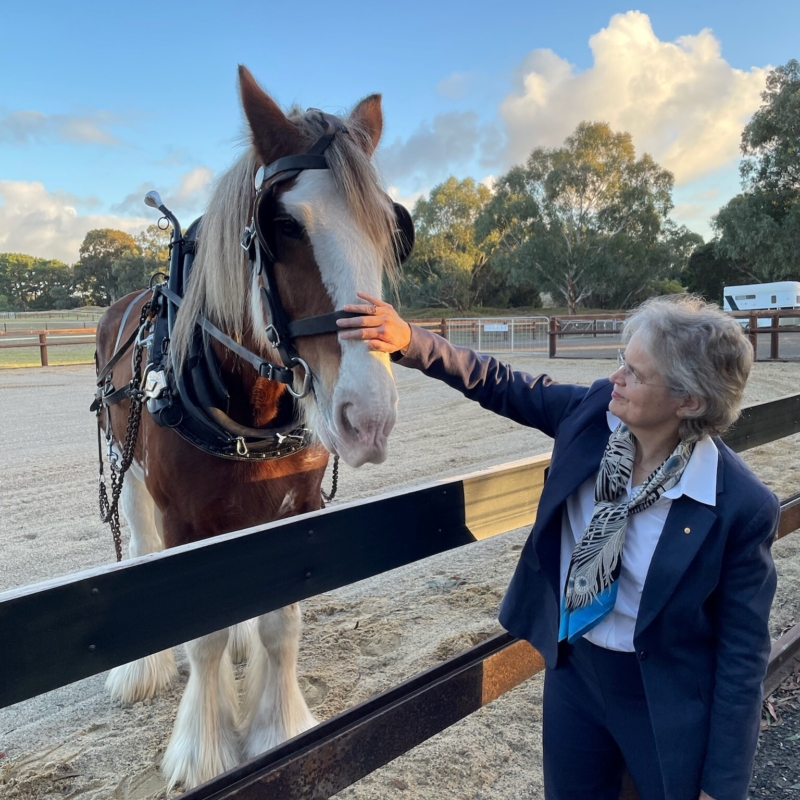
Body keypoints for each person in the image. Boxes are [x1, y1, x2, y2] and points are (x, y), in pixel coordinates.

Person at [337, 292, 779, 800]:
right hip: (577, 676)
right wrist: (410, 341)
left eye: (635, 373)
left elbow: (743, 657)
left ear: (690, 401)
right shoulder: (593, 415)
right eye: (621, 362)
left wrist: (723, 788)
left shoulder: (740, 506)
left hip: (667, 702)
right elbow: (497, 381)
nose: (616, 378)